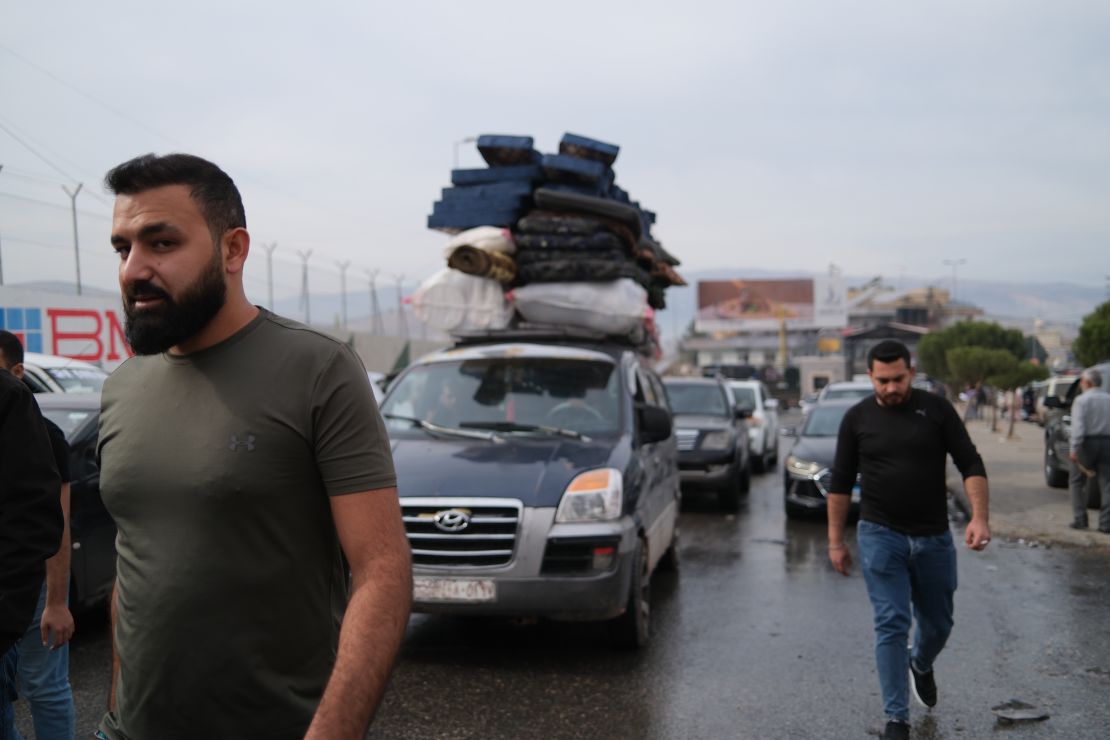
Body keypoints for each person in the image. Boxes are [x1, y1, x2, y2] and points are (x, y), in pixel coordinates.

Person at [97, 153, 412, 740]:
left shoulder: (319, 370)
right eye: (123, 249)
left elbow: (383, 568)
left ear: (233, 250)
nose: (133, 270)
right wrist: (114, 715)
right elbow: (136, 558)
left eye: (160, 244)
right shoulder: (122, 387)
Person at [827, 340, 990, 740]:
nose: (890, 388)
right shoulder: (856, 419)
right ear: (870, 377)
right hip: (880, 534)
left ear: (911, 373)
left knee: (938, 624)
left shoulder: (935, 410)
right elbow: (841, 483)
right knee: (891, 624)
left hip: (934, 536)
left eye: (898, 379)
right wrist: (835, 541)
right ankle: (896, 720)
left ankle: (921, 663)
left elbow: (969, 461)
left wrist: (980, 518)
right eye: (882, 381)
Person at [0, 332, 76, 740]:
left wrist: (58, 601)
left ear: (17, 372)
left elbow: (55, 521)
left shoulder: (45, 436)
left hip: (33, 586)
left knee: (45, 688)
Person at [1067, 368, 1110, 533]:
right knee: (1107, 484)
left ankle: (1080, 520)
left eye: (1082, 382)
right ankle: (1106, 524)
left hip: (1087, 443)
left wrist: (1074, 448)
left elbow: (1078, 427)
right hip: (1107, 443)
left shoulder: (1081, 400)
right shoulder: (1108, 399)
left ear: (1087, 383)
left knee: (1076, 481)